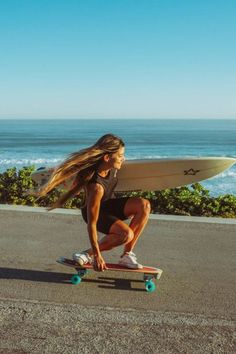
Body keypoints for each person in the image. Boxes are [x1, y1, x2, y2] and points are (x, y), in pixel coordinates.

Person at [38, 134, 151, 272]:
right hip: (94, 214)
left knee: (144, 205)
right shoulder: (96, 187)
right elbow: (92, 224)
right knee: (126, 235)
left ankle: (127, 255)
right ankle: (87, 253)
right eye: (120, 156)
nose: (124, 159)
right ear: (107, 157)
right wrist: (97, 255)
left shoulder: (111, 167)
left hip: (108, 205)